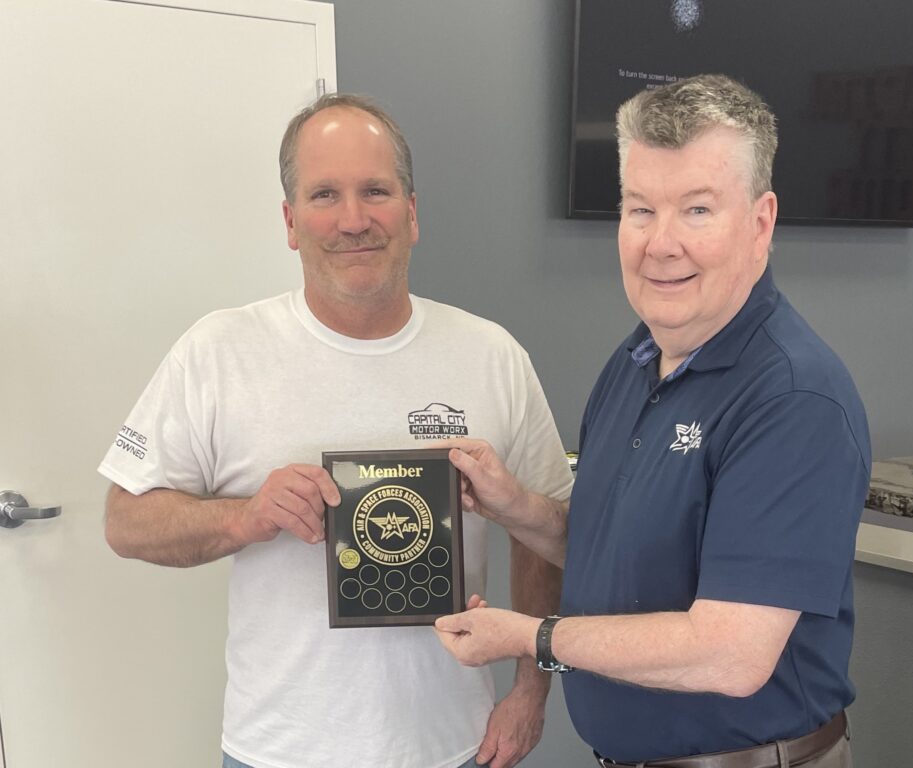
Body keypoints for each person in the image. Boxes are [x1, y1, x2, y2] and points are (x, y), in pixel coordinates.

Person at [99, 93, 573, 768]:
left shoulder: (491, 355)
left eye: (375, 191)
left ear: (412, 213)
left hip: (453, 746)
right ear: (291, 221)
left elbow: (547, 532)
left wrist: (531, 690)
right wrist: (245, 517)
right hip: (277, 750)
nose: (354, 220)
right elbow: (125, 521)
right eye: (325, 195)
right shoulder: (219, 350)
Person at [435, 74, 870, 768]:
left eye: (697, 210)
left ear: (760, 224)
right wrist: (514, 506)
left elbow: (729, 653)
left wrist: (529, 637)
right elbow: (615, 558)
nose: (661, 244)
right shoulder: (634, 363)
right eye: (641, 209)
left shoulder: (792, 398)